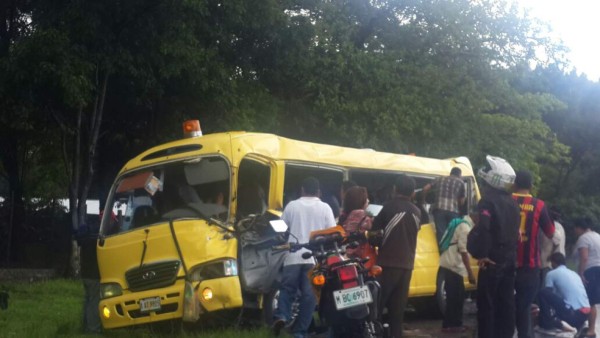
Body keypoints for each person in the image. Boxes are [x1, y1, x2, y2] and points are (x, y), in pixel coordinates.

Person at [272, 177, 336, 338]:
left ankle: (282, 316)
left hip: (292, 257)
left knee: (288, 290)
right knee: (310, 297)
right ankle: (299, 332)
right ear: (319, 192)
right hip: (314, 259)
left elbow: (280, 229)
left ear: (302, 190)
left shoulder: (292, 206)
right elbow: (331, 233)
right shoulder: (325, 207)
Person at [467, 155, 520, 338]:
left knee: (487, 306)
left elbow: (484, 228)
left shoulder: (488, 201)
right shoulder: (513, 203)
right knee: (506, 304)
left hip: (492, 260)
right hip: (510, 259)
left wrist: (482, 254)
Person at [372, 174, 421, 338]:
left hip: (387, 264)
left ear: (395, 189)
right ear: (413, 192)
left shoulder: (388, 208)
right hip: (407, 265)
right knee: (397, 313)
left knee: (377, 308)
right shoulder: (417, 212)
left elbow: (373, 234)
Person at [512, 170, 555, 338]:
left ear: (514, 184)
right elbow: (551, 232)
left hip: (507, 263)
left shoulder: (507, 200)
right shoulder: (539, 205)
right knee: (524, 306)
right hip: (529, 265)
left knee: (506, 306)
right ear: (530, 186)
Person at [438, 210, 477, 333]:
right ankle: (452, 325)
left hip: (448, 263)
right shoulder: (465, 227)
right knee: (456, 297)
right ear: (475, 215)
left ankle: (452, 324)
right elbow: (464, 252)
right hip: (453, 265)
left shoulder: (461, 222)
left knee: (455, 296)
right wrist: (470, 273)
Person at [537, 252, 590, 334]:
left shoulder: (551, 274)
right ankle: (579, 325)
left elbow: (548, 294)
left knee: (543, 292)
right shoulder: (574, 273)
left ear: (553, 262)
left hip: (573, 314)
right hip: (585, 314)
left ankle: (548, 323)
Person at [423, 167, 466, 243]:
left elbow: (425, 188)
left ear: (450, 173)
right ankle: (449, 251)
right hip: (453, 211)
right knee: (452, 234)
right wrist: (459, 208)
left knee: (441, 233)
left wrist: (423, 201)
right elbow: (462, 201)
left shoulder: (440, 178)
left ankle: (441, 251)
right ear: (459, 174)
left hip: (439, 209)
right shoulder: (461, 182)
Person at [574, 218, 600, 338]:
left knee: (589, 301)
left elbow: (584, 258)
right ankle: (590, 328)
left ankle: (590, 330)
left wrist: (581, 273)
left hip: (590, 271)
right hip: (598, 269)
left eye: (576, 228)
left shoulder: (583, 238)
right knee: (592, 301)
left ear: (580, 227)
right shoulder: (597, 236)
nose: (575, 231)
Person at [339, 186, 376, 268]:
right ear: (361, 201)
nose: (368, 201)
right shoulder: (363, 216)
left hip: (344, 257)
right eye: (366, 198)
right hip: (360, 259)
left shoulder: (343, 216)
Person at [77, 221, 102, 334]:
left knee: (87, 301)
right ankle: (93, 329)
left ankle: (86, 326)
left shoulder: (83, 243)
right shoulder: (92, 242)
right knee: (94, 302)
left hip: (85, 275)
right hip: (93, 276)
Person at [540, 206, 566, 283]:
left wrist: (550, 256)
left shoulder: (552, 225)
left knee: (546, 286)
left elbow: (557, 241)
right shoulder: (559, 226)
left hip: (549, 263)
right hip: (557, 261)